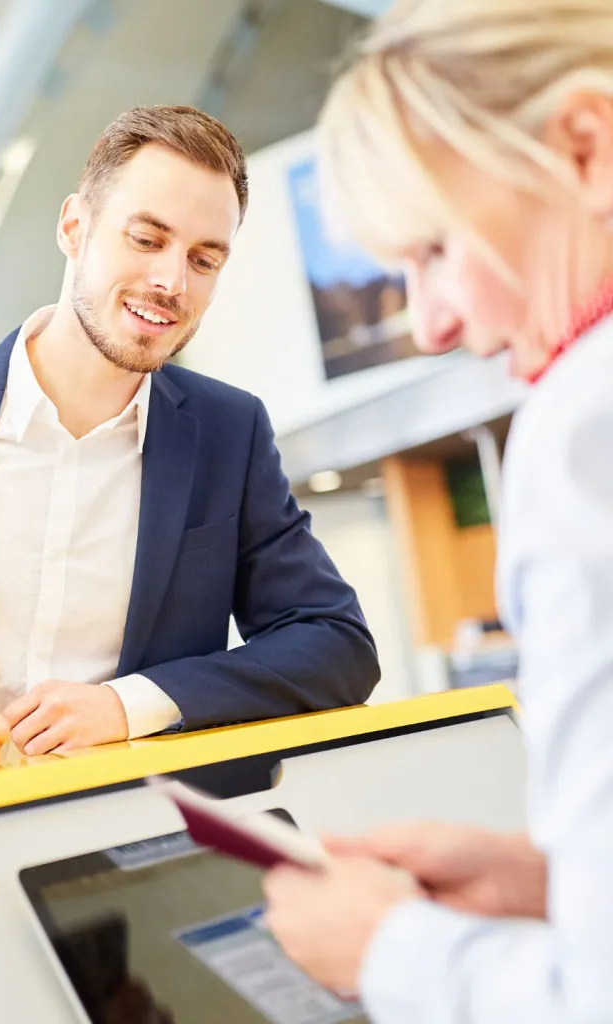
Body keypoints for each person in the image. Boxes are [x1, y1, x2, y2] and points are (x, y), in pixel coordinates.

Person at [0, 105, 379, 788]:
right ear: (74, 228)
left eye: (204, 259)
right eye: (147, 239)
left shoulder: (228, 435)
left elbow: (335, 643)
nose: (173, 282)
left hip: (139, 836)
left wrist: (130, 705)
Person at [259, 2, 613, 1020]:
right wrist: (562, 885)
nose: (436, 321)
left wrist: (391, 949)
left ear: (586, 149)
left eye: (438, 250)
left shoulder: (584, 426)